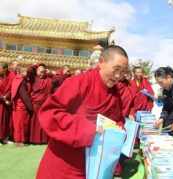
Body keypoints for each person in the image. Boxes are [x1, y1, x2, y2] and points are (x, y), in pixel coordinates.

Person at [36, 45, 129, 179]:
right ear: (101, 62)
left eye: (123, 72)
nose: (118, 76)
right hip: (65, 162)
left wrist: (119, 132)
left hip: (93, 164)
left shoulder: (115, 93)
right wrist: (87, 129)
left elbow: (118, 120)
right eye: (116, 69)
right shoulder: (80, 82)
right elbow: (49, 112)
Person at [29, 64, 52, 144]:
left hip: (44, 105)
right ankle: (33, 140)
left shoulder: (48, 80)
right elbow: (29, 71)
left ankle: (43, 140)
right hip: (35, 104)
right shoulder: (34, 79)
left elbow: (58, 80)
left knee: (43, 123)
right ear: (36, 71)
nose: (41, 74)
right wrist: (36, 65)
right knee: (34, 123)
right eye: (40, 72)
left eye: (43, 72)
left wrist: (50, 73)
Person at [11, 67, 33, 146]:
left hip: (16, 105)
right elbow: (24, 96)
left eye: (26, 71)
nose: (26, 73)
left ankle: (18, 140)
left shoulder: (16, 79)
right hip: (21, 105)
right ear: (19, 72)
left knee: (17, 124)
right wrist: (30, 107)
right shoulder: (21, 81)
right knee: (21, 124)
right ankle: (20, 141)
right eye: (24, 71)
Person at [0, 62, 15, 143]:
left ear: (5, 69)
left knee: (5, 121)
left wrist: (7, 97)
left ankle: (4, 138)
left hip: (7, 103)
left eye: (1, 69)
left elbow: (11, 87)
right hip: (2, 101)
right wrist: (3, 98)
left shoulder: (10, 75)